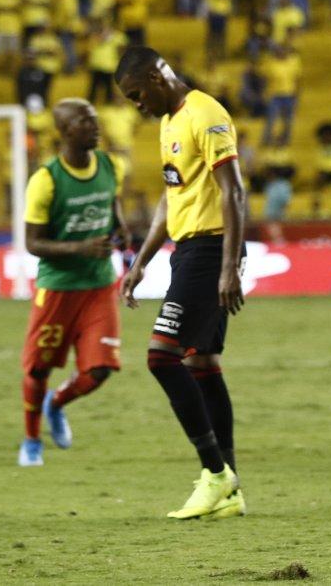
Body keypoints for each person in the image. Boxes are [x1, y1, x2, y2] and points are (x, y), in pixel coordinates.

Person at [115, 46, 247, 519]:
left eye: (136, 94)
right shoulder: (170, 123)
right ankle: (229, 489)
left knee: (160, 356)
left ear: (155, 76)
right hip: (190, 250)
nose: (137, 105)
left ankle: (215, 473)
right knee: (202, 363)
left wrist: (229, 266)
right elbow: (171, 199)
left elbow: (233, 190)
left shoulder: (205, 113)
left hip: (212, 250)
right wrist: (141, 261)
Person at [18, 99, 129, 467]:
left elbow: (112, 203)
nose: (95, 127)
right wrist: (81, 246)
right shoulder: (46, 180)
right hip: (58, 288)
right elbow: (32, 243)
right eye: (85, 121)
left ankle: (57, 402)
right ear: (65, 131)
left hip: (99, 286)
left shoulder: (110, 164)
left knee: (100, 371)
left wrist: (120, 227)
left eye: (96, 120)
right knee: (38, 370)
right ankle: (32, 439)